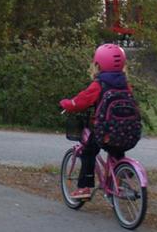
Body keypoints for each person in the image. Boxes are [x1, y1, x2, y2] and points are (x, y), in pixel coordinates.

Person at [58, 44, 134, 200]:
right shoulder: (125, 84)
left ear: (98, 64)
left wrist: (66, 104)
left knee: (88, 152)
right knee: (116, 149)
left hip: (105, 131)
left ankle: (84, 187)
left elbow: (81, 101)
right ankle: (119, 178)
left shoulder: (99, 84)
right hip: (128, 130)